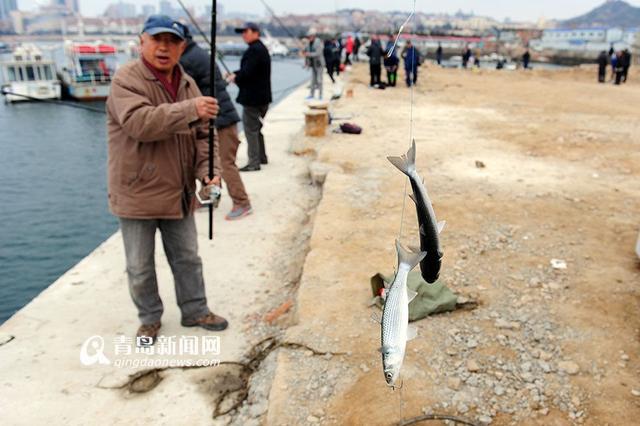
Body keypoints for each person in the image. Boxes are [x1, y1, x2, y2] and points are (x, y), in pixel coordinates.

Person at [106, 15, 228, 344]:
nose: (164, 47)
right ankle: (149, 319)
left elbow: (206, 135)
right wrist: (191, 109)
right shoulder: (126, 79)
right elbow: (139, 123)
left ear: (182, 47)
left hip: (179, 191)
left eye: (172, 41)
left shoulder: (187, 82)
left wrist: (209, 172)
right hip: (137, 194)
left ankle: (195, 309)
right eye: (157, 39)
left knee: (188, 257)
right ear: (141, 41)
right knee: (140, 266)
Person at [179, 26, 253, 220]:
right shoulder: (197, 53)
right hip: (216, 116)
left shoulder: (186, 60)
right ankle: (209, 197)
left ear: (182, 42)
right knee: (206, 162)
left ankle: (242, 202)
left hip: (219, 119)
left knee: (224, 164)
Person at [226, 22, 272, 172]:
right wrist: (236, 74)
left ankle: (254, 162)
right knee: (256, 128)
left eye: (246, 31)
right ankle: (261, 157)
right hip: (262, 97)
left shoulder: (254, 50)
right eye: (243, 32)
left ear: (256, 32)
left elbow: (248, 73)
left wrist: (236, 77)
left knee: (250, 130)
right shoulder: (260, 49)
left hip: (253, 99)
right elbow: (249, 71)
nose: (243, 35)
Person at [304, 29, 325, 99]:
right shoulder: (308, 43)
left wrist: (308, 54)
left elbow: (318, 53)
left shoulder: (318, 42)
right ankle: (311, 95)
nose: (309, 38)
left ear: (313, 36)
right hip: (313, 64)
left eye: (310, 36)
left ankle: (320, 95)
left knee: (319, 80)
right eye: (308, 36)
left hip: (319, 64)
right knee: (312, 81)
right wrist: (306, 63)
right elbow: (306, 53)